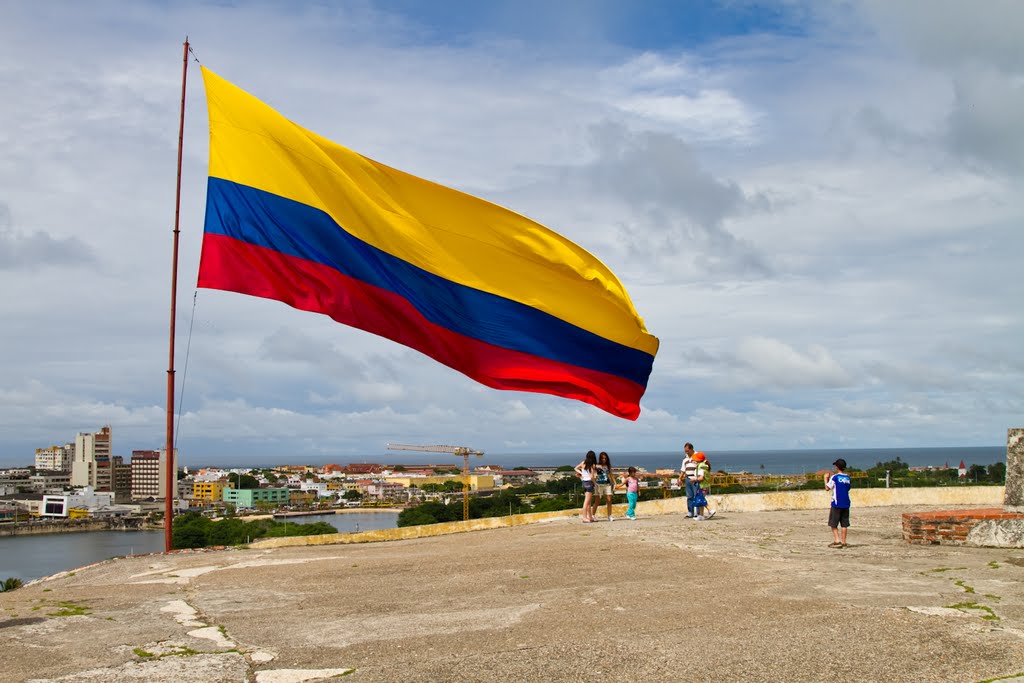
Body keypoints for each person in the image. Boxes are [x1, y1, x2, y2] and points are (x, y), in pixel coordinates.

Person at [824, 458, 852, 547]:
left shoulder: (835, 477)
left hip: (836, 503)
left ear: (837, 467)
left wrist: (825, 479)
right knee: (844, 523)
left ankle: (837, 540)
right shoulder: (847, 477)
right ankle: (844, 541)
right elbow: (848, 488)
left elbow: (827, 488)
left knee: (833, 522)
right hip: (846, 502)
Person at [591, 451, 618, 521]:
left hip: (607, 484)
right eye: (602, 458)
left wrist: (615, 483)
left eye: (605, 458)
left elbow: (611, 475)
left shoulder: (608, 466)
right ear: (600, 458)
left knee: (609, 500)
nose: (604, 460)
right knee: (597, 501)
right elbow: (591, 473)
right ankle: (592, 515)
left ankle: (609, 515)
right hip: (599, 484)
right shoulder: (596, 466)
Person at [575, 451, 598, 523]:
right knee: (586, 502)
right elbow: (591, 477)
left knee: (588, 502)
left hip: (584, 482)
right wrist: (595, 483)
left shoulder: (583, 462)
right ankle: (584, 517)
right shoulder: (592, 465)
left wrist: (582, 473)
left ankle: (590, 517)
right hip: (589, 483)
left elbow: (575, 468)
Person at [692, 452, 716, 520]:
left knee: (701, 499)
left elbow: (701, 478)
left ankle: (710, 510)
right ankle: (701, 516)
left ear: (698, 460)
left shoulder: (700, 467)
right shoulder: (705, 466)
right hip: (706, 485)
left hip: (701, 486)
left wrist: (694, 479)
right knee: (700, 500)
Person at [677, 443, 699, 518]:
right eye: (685, 451)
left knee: (696, 495)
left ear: (691, 449)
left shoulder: (697, 456)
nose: (686, 452)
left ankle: (697, 512)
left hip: (695, 478)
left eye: (687, 451)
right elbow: (683, 470)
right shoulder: (685, 459)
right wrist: (680, 478)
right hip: (687, 478)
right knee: (689, 496)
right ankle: (690, 512)